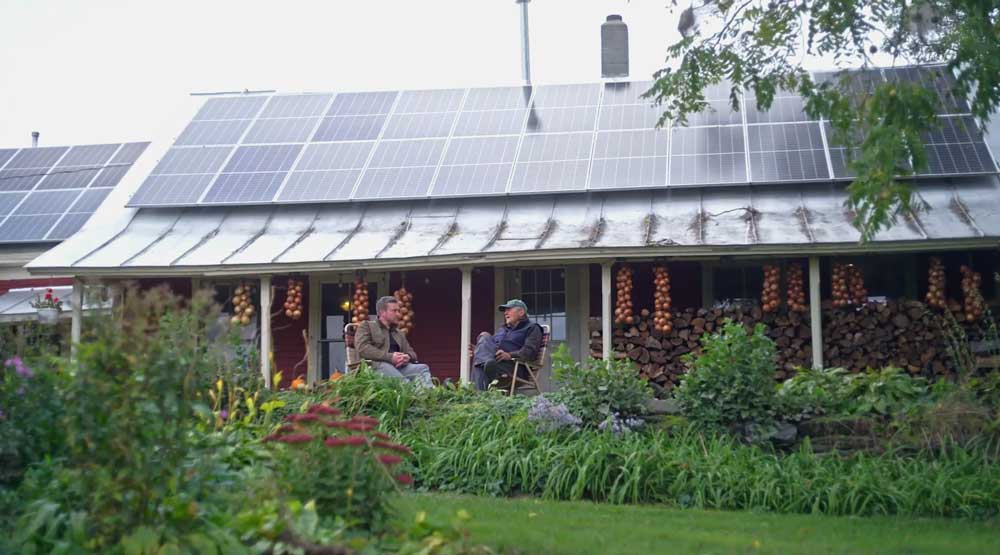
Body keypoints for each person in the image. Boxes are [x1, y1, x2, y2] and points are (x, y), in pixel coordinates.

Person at [355, 296, 433, 388]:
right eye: (394, 311)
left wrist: (407, 357)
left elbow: (412, 352)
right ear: (382, 312)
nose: (398, 314)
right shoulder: (367, 326)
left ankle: (427, 397)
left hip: (399, 367)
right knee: (406, 383)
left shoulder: (398, 333)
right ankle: (417, 397)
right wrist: (390, 357)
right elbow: (363, 348)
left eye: (398, 311)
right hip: (377, 366)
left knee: (422, 368)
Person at [470, 299, 543, 391]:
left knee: (481, 361)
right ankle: (479, 393)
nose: (505, 313)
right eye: (505, 311)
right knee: (484, 337)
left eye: (509, 310)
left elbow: (529, 352)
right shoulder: (503, 329)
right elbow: (492, 345)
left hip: (513, 367)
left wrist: (509, 355)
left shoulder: (532, 328)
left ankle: (472, 394)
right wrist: (479, 349)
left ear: (521, 312)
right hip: (494, 363)